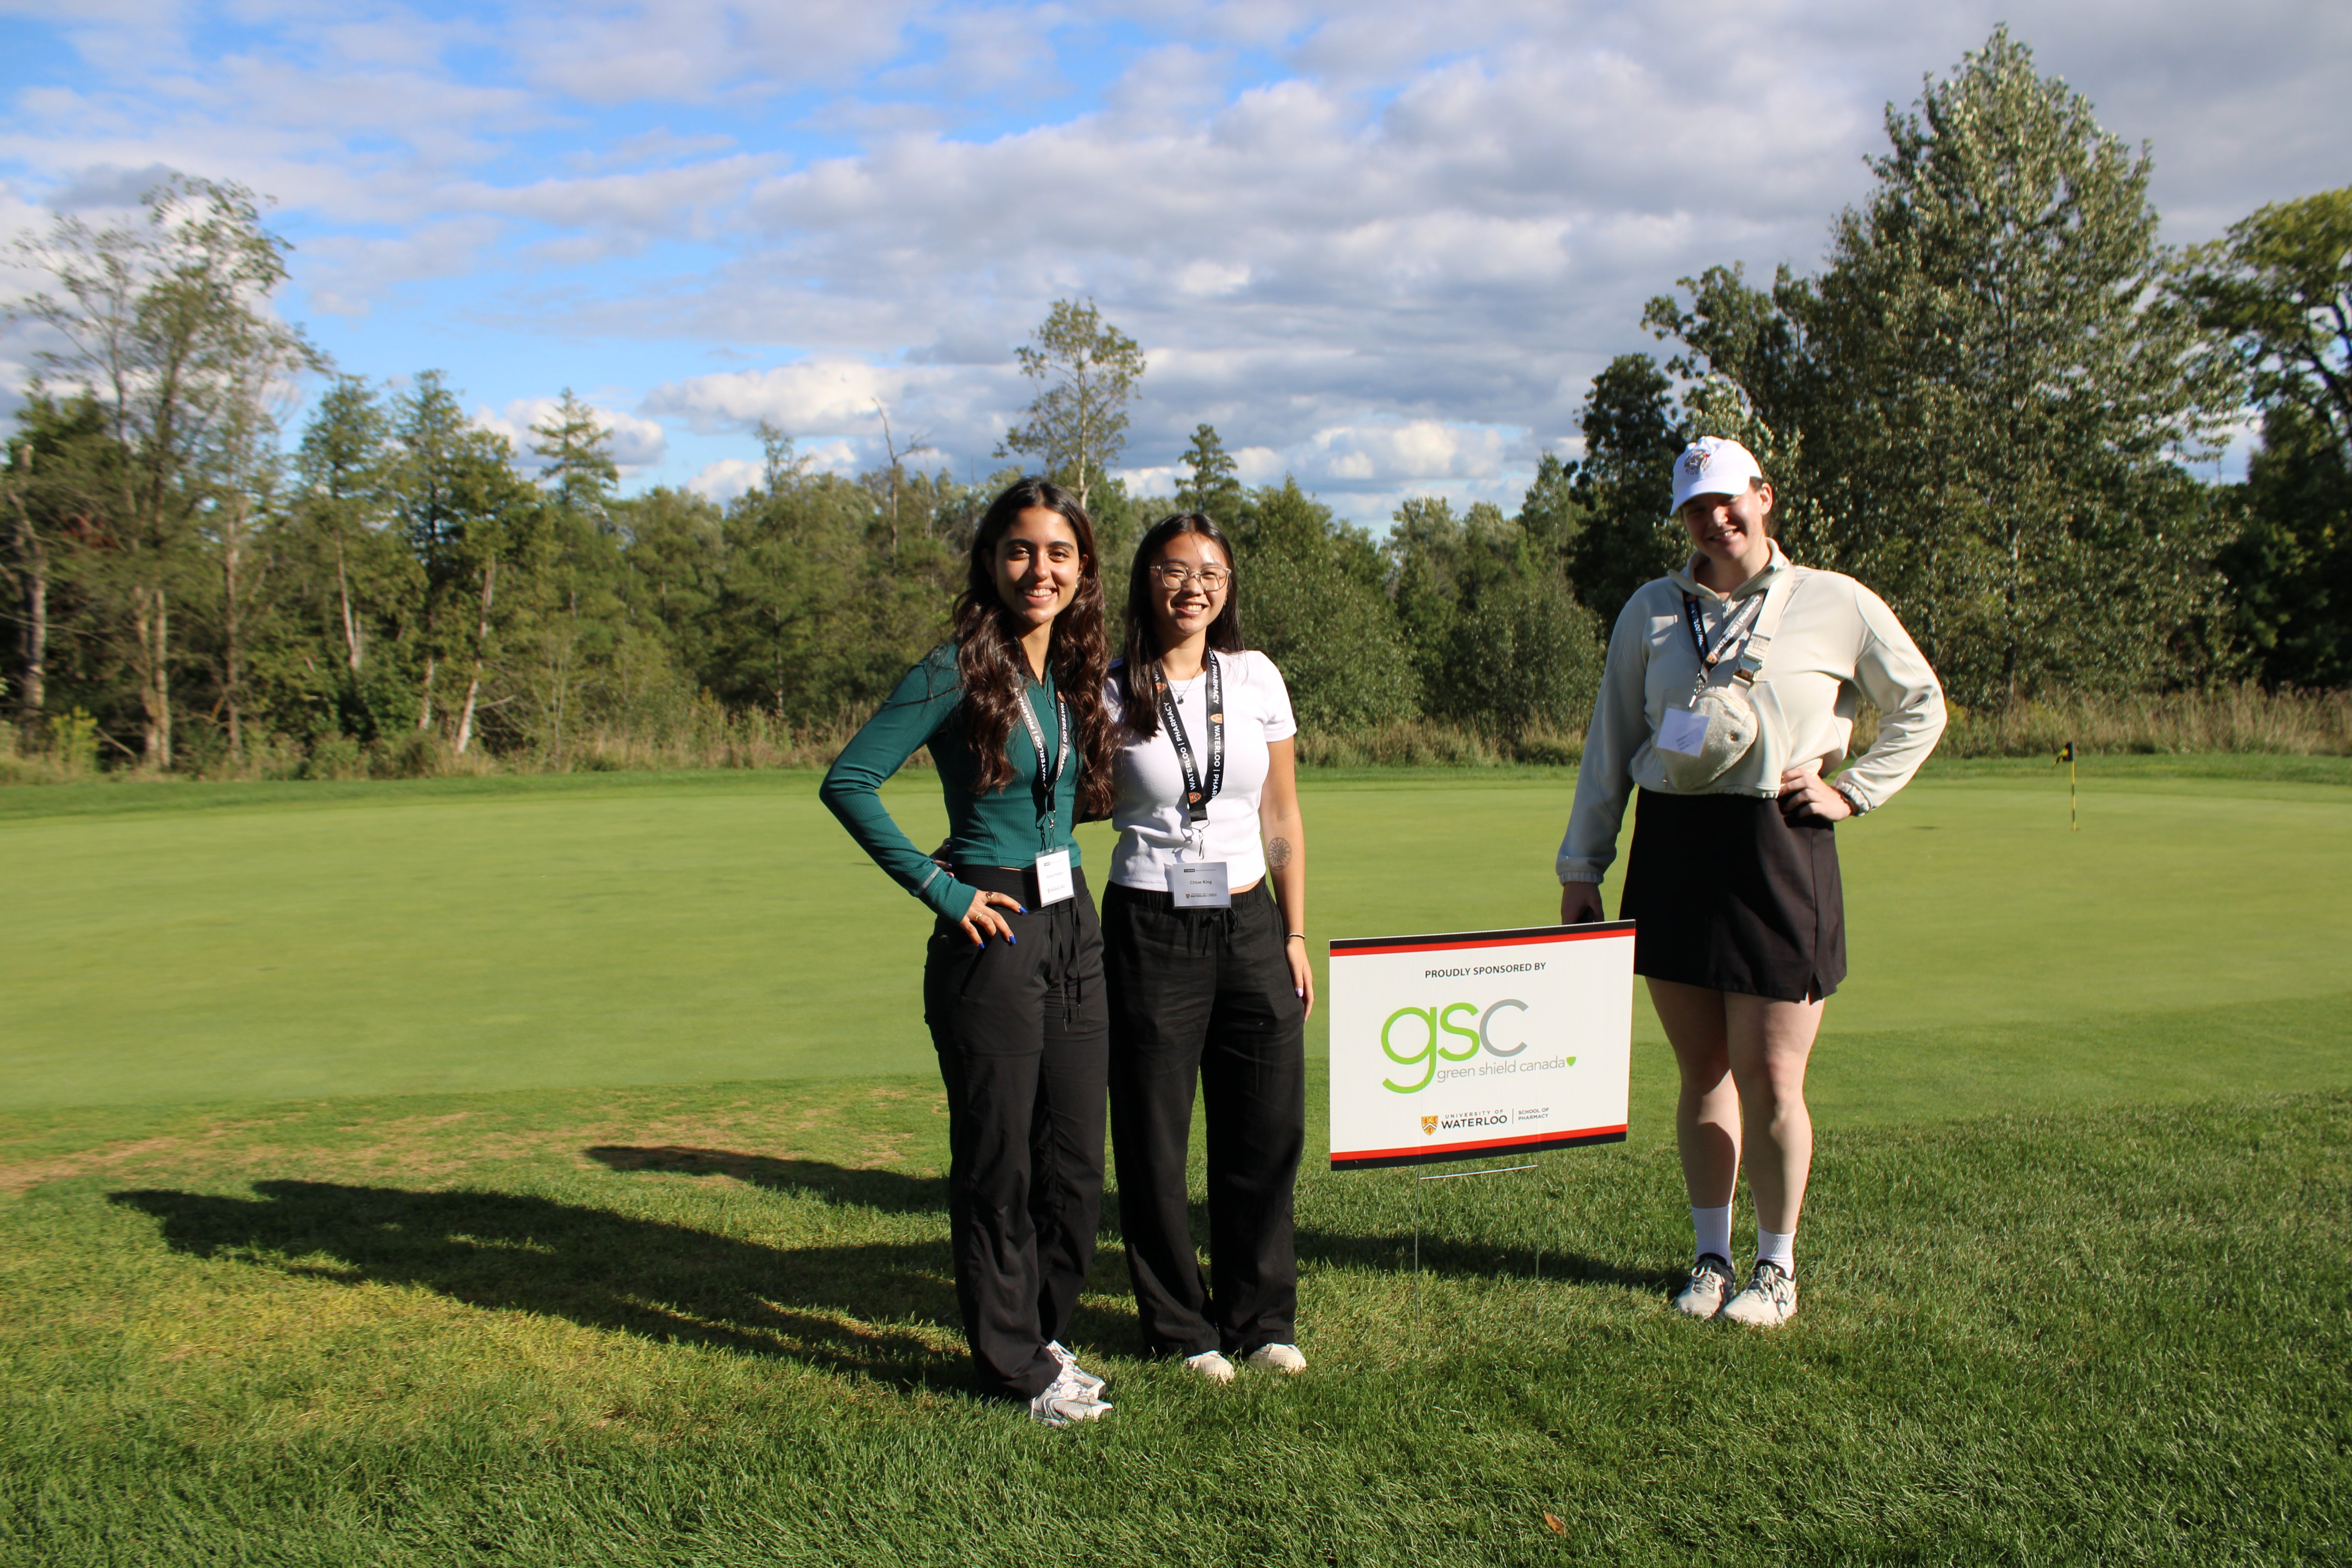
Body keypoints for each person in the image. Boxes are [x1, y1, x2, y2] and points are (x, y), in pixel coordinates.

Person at [1556, 437, 1945, 1327]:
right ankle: (1711, 1257)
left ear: (1764, 496)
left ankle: (1777, 1268)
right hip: (1673, 846)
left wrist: (1854, 790)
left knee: (1771, 1073)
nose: (1715, 519)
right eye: (1696, 508)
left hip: (1780, 841)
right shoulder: (1652, 610)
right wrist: (1583, 865)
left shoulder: (1836, 601)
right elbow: (1612, 744)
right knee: (1702, 1070)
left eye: (1729, 499)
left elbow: (1921, 704)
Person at [819, 477, 1120, 1425]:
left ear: (1083, 567)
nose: (1040, 568)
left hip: (1073, 918)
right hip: (993, 925)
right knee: (1000, 1162)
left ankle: (1042, 1334)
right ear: (991, 561)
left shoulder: (1073, 670)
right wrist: (941, 887)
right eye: (1020, 549)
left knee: (1075, 1159)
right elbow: (850, 780)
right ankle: (1012, 1366)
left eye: (1060, 551)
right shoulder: (954, 667)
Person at [1100, 512, 1312, 1383]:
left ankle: (1261, 1319)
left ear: (1228, 586)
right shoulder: (1109, 688)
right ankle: (1181, 1327)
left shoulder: (1255, 675)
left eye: (1212, 572)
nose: (1195, 586)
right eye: (1176, 569)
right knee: (1155, 1134)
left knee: (1267, 1124)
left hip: (1251, 919)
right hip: (1150, 923)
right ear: (1147, 578)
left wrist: (1294, 931)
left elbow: (1281, 812)